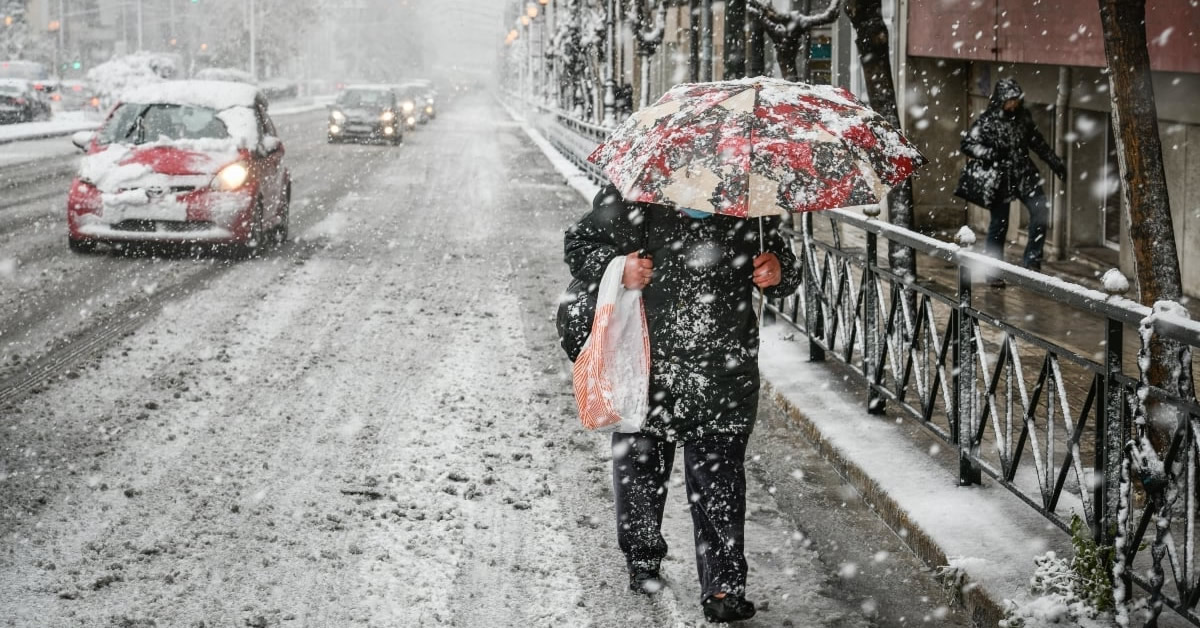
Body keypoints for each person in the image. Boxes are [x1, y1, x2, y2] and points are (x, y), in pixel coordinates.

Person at [563, 185, 801, 623]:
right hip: (646, 363)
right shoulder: (635, 196)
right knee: (640, 469)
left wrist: (778, 270)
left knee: (721, 481)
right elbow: (579, 245)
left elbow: (786, 265)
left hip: (724, 367)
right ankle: (643, 558)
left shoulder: (752, 199)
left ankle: (724, 587)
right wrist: (620, 268)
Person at [954, 78, 1066, 286]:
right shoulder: (987, 121)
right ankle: (993, 271)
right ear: (1000, 100)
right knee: (999, 225)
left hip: (1024, 174)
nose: (1013, 104)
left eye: (1016, 99)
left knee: (1040, 211)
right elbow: (968, 144)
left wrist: (1054, 162)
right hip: (1000, 178)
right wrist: (991, 153)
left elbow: (1037, 142)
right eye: (1010, 100)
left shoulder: (1023, 118)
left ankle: (1032, 263)